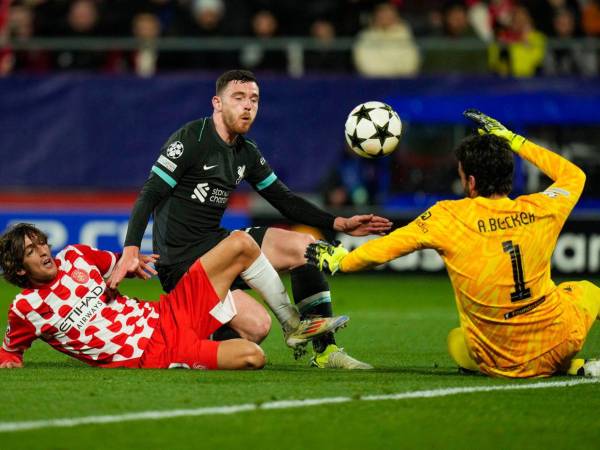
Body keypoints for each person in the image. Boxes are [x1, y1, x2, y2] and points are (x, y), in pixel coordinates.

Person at [109, 69, 391, 369]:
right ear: (217, 103)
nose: (247, 106)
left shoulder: (245, 152)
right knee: (257, 326)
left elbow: (284, 200)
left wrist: (338, 223)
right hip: (180, 265)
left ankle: (325, 352)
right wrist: (131, 249)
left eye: (254, 99)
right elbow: (150, 193)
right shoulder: (192, 139)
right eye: (239, 98)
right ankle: (191, 342)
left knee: (303, 246)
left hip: (215, 245)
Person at [306, 109, 600, 378]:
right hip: (559, 341)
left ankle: (562, 366)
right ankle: (571, 365)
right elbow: (574, 175)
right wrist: (513, 140)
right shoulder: (542, 208)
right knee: (586, 290)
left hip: (499, 361)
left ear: (470, 182)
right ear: (508, 177)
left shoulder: (448, 217)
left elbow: (384, 249)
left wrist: (341, 260)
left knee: (458, 340)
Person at [0, 223, 344, 370]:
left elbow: (117, 263)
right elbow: (10, 351)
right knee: (253, 356)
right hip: (159, 352)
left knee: (240, 242)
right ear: (18, 269)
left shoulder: (75, 256)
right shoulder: (26, 309)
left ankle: (293, 324)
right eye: (31, 250)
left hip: (168, 313)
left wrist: (132, 264)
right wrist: (10, 361)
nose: (43, 251)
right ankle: (201, 349)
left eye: (41, 242)